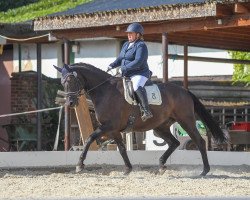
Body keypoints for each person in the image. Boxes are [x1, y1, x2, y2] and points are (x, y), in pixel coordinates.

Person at [108, 22, 153, 122]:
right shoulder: (126, 44)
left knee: (136, 86)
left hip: (140, 73)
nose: (128, 35)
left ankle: (146, 110)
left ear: (138, 35)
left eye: (131, 33)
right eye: (128, 33)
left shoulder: (141, 46)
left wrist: (123, 68)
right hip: (127, 74)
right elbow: (120, 58)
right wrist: (111, 65)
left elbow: (138, 62)